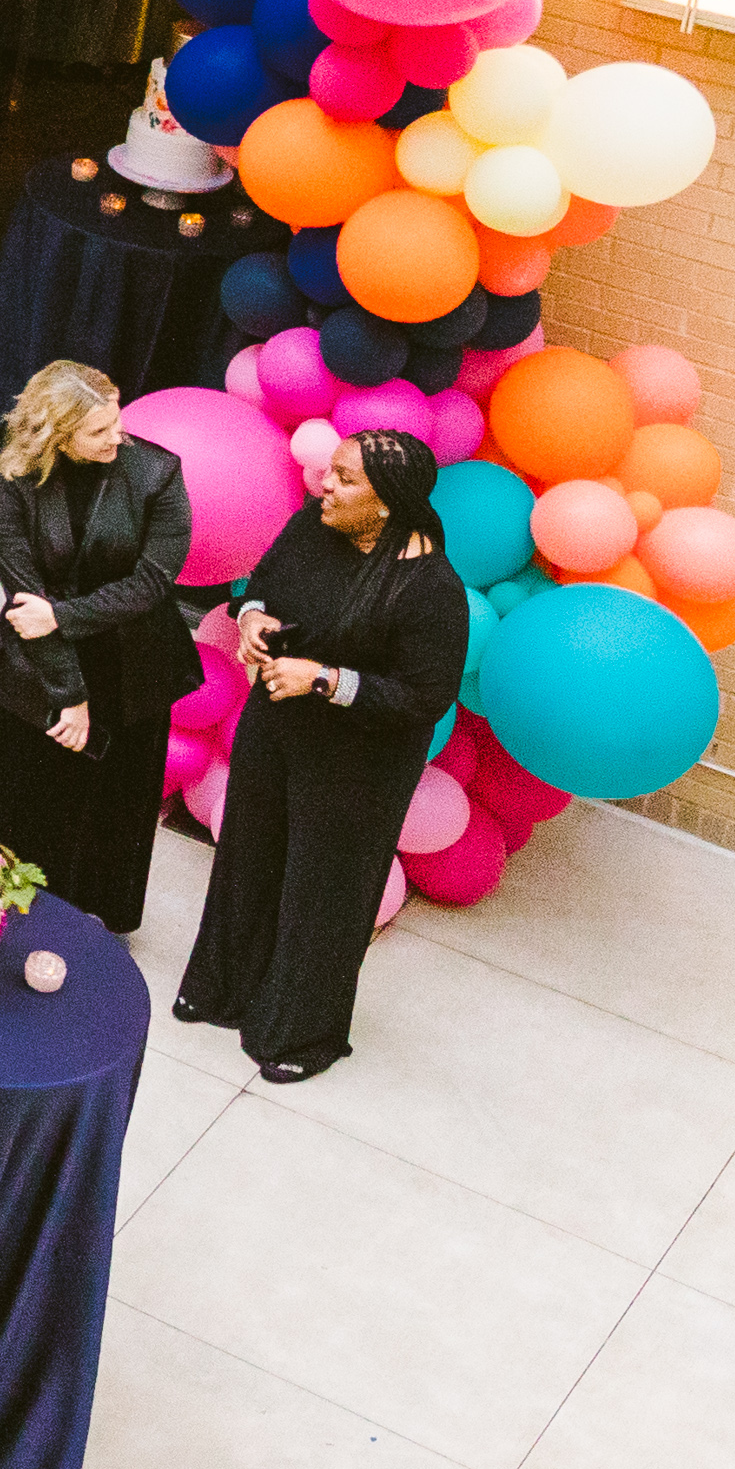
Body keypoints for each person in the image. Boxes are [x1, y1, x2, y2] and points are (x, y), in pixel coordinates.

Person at [176, 431, 467, 1082]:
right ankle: (221, 990)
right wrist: (251, 618)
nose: (324, 486)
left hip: (355, 767)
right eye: (331, 472)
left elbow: (424, 695)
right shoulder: (314, 527)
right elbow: (264, 585)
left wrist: (324, 679)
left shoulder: (430, 590)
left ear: (387, 501)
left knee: (324, 893)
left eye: (344, 478)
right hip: (275, 731)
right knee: (247, 858)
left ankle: (300, 1033)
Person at [0, 361, 196, 935]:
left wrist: (61, 614)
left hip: (131, 663)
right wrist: (69, 695)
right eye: (98, 431)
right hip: (41, 666)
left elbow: (153, 583)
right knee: (12, 788)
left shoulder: (158, 473)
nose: (119, 437)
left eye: (117, 422)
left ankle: (86, 923)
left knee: (113, 801)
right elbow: (24, 598)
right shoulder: (16, 477)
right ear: (55, 435)